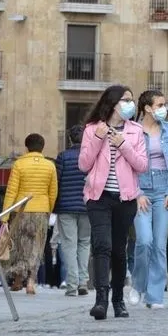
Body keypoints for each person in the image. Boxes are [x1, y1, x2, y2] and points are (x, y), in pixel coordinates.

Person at [79, 85, 149, 320]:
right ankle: (101, 300)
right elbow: (84, 164)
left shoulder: (136, 131)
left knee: (119, 250)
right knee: (102, 246)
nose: (130, 104)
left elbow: (141, 165)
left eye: (132, 99)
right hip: (98, 198)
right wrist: (99, 139)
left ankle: (118, 300)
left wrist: (122, 144)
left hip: (125, 199)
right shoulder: (91, 129)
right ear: (112, 103)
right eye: (126, 100)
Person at [130, 89, 168, 309]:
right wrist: (137, 193)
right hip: (141, 189)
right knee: (144, 241)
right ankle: (137, 285)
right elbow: (127, 164)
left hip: (164, 190)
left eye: (164, 104)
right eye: (160, 105)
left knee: (160, 245)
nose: (164, 108)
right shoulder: (132, 131)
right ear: (147, 108)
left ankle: (155, 296)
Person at [1, 133, 58, 296]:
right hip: (41, 210)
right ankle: (31, 282)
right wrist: (48, 208)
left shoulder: (19, 164)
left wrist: (5, 216)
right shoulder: (50, 166)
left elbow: (11, 191)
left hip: (20, 210)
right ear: (42, 147)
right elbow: (53, 192)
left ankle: (18, 280)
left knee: (20, 246)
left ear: (27, 147)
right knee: (36, 248)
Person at [55, 125, 91, 297]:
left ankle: (72, 285)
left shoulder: (63, 157)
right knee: (84, 243)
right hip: (87, 206)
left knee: (69, 245)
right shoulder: (91, 156)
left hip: (66, 207)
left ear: (69, 139)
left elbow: (57, 182)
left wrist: (54, 205)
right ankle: (83, 282)